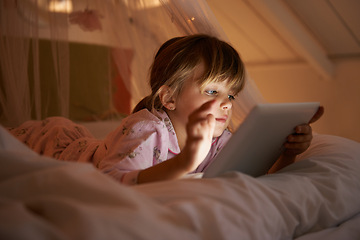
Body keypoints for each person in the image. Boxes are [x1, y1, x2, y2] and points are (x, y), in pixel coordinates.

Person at [8, 34, 323, 185]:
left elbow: (251, 178)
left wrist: (288, 154)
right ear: (169, 99)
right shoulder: (146, 130)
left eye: (232, 94)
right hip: (56, 147)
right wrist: (186, 161)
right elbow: (110, 180)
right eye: (213, 91)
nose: (226, 103)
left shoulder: (220, 137)